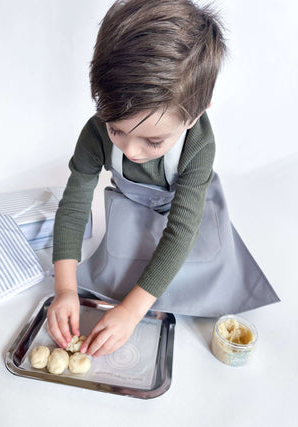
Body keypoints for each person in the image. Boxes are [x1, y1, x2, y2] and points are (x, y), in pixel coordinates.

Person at [47, 0, 279, 358]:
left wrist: (132, 310)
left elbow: (180, 232)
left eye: (154, 140)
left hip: (186, 215)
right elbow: (75, 205)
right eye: (116, 130)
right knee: (116, 279)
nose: (132, 151)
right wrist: (65, 288)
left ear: (193, 116)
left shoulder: (198, 145)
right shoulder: (95, 133)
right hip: (134, 208)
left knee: (200, 280)